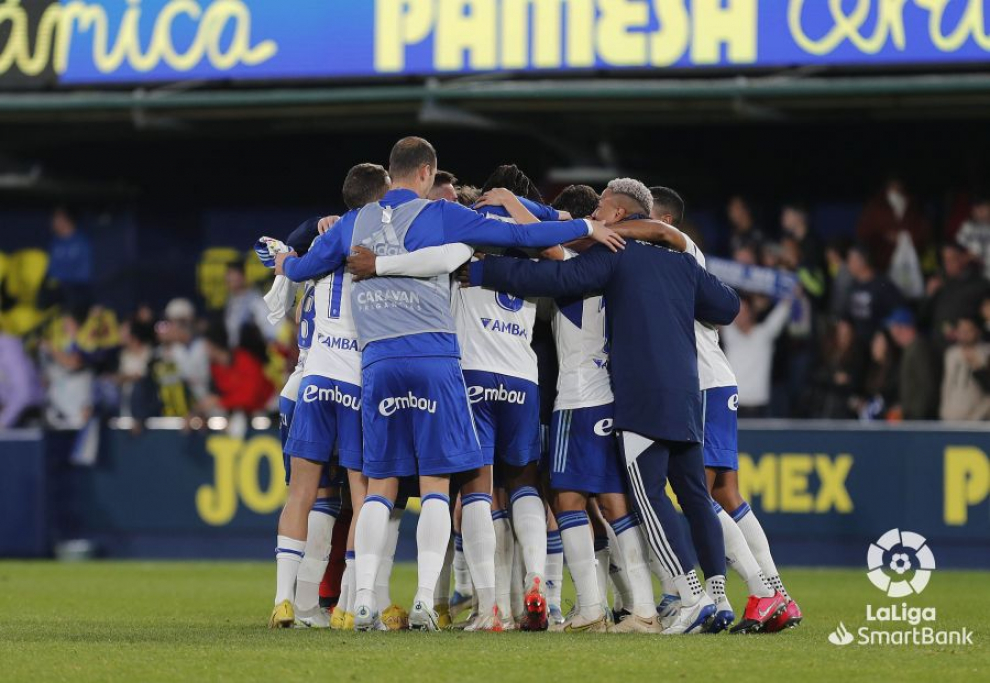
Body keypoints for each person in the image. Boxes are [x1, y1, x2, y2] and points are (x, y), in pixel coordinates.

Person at [276, 136, 620, 632]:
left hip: (376, 364)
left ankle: (365, 601)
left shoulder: (355, 223)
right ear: (424, 174)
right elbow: (524, 239)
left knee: (380, 486)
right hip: (436, 360)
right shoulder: (439, 217)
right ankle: (426, 600)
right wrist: (587, 224)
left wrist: (282, 259)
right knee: (441, 486)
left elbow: (306, 265)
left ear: (391, 172)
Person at [468, 203, 740, 635]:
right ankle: (718, 596)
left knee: (648, 500)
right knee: (693, 497)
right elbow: (727, 305)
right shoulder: (680, 261)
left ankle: (692, 597)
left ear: (616, 214)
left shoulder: (616, 254)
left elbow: (556, 277)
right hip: (687, 396)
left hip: (637, 398)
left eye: (601, 208)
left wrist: (482, 272)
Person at [650, 186, 798, 633]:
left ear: (668, 221)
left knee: (700, 493)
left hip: (706, 385)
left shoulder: (684, 253)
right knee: (725, 494)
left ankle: (758, 592)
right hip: (715, 381)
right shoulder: (669, 265)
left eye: (647, 217)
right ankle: (776, 594)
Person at [721, 296, 793, 418]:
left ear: (750, 313)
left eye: (743, 312)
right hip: (733, 404)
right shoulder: (730, 334)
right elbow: (714, 308)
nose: (739, 316)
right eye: (736, 312)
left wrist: (791, 291)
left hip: (759, 406)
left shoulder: (764, 334)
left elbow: (783, 308)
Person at [921, 243, 990, 352]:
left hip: (966, 349)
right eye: (945, 260)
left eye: (952, 259)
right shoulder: (940, 284)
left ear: (964, 258)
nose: (947, 264)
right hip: (936, 348)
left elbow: (986, 319)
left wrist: (968, 331)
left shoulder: (980, 285)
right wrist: (929, 296)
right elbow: (922, 319)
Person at [856, 177, 932, 272]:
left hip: (911, 261)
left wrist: (908, 237)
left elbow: (924, 231)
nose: (895, 189)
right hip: (881, 262)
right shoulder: (875, 206)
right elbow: (864, 232)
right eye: (892, 186)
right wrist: (885, 236)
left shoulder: (914, 206)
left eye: (898, 186)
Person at [844, 245, 904, 345]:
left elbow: (898, 312)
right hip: (858, 343)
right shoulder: (853, 285)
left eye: (851, 260)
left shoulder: (883, 285)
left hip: (879, 343)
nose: (848, 264)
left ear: (862, 261)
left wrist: (884, 334)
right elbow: (848, 312)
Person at [886, 308, 938, 420]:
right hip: (911, 415)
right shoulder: (909, 349)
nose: (892, 333)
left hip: (919, 418)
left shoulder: (919, 348)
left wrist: (917, 414)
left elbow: (927, 385)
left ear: (902, 328)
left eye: (893, 328)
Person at [940, 318, 990, 421]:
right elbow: (947, 385)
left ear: (977, 331)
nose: (965, 334)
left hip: (977, 420)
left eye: (969, 330)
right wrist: (944, 411)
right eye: (961, 331)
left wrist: (978, 365)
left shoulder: (986, 353)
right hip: (951, 417)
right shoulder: (951, 354)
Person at [45, 206, 93, 311]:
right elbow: (50, 271)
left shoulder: (82, 243)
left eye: (57, 218)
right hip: (57, 292)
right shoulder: (54, 243)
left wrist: (65, 283)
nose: (53, 222)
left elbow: (84, 274)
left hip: (77, 292)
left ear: (66, 220)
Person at [0, 330, 44, 429]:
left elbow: (24, 393)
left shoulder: (9, 347)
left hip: (28, 416)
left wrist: (3, 421)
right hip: (10, 415)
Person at [224, 262, 275, 345]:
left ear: (242, 277)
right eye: (228, 274)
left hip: (252, 351)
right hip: (236, 352)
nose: (229, 278)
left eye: (233, 273)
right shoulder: (231, 300)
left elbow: (269, 332)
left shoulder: (255, 300)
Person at [956, 196, 990, 280]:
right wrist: (967, 257)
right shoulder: (967, 227)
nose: (978, 212)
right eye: (975, 208)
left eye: (982, 208)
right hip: (974, 276)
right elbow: (956, 254)